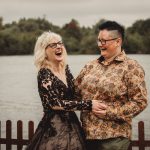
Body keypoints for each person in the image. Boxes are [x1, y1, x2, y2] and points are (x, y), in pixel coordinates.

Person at [75, 21, 148, 150]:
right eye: (99, 40)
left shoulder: (131, 67)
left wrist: (110, 112)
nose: (100, 44)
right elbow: (74, 92)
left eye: (104, 41)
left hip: (114, 139)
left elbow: (140, 102)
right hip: (86, 136)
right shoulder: (90, 66)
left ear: (118, 41)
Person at [26, 31, 102, 150]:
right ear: (44, 51)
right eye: (53, 45)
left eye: (60, 43)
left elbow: (76, 94)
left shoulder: (65, 69)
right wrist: (89, 104)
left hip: (72, 124)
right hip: (53, 128)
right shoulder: (44, 73)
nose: (58, 46)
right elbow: (55, 104)